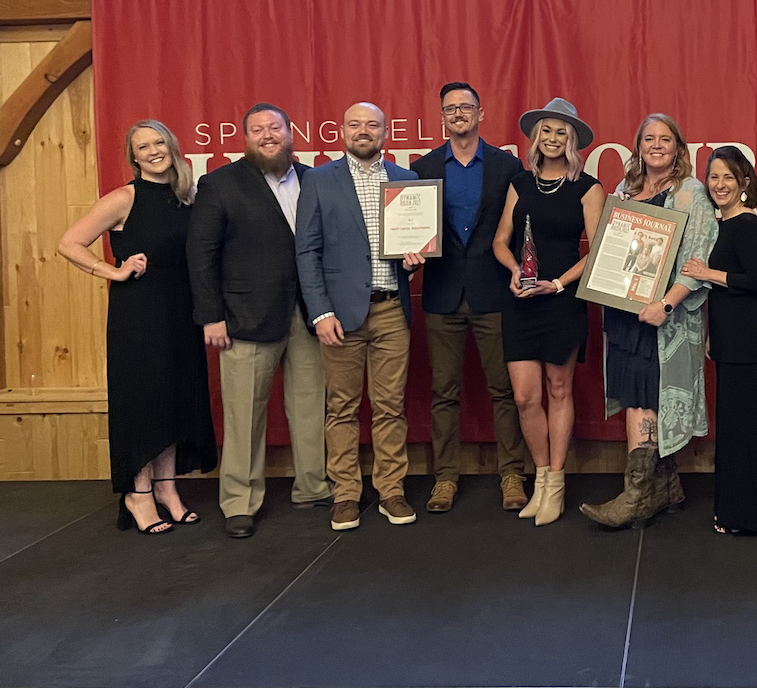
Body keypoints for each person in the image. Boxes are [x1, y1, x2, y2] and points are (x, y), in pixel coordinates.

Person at [58, 119, 216, 534]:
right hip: (139, 313)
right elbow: (69, 243)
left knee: (173, 399)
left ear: (172, 146)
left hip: (181, 309)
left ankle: (166, 488)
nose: (153, 151)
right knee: (144, 400)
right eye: (143, 146)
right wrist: (112, 271)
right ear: (134, 157)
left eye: (159, 142)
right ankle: (138, 494)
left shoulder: (188, 196)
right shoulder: (124, 198)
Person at [187, 103, 329, 539]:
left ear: (290, 133)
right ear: (245, 138)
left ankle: (313, 487)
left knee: (311, 407)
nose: (268, 135)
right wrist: (211, 316)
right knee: (244, 414)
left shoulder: (314, 179)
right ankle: (239, 502)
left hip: (308, 314)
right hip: (244, 317)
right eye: (257, 129)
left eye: (275, 127)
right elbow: (201, 254)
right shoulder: (220, 184)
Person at [580, 113, 718, 530]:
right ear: (638, 147)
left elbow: (698, 258)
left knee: (647, 396)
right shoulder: (625, 192)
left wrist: (667, 305)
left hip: (662, 319)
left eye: (665, 139)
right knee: (635, 394)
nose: (656, 145)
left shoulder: (691, 193)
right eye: (649, 139)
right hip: (625, 315)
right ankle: (667, 487)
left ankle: (637, 495)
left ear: (678, 148)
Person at [295, 102, 419, 531]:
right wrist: (320, 312)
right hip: (339, 315)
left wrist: (413, 261)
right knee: (341, 408)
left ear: (386, 132)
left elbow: (414, 244)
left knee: (390, 407)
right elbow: (307, 251)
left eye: (372, 124)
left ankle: (391, 490)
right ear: (342, 131)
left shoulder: (406, 180)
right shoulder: (318, 180)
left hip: (391, 310)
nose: (363, 130)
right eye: (354, 124)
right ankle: (346, 493)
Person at [406, 82, 528, 513]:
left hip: (494, 291)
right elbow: (410, 230)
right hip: (441, 293)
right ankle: (445, 478)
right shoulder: (420, 169)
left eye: (466, 107)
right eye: (450, 108)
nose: (458, 113)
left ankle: (512, 475)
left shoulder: (507, 166)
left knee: (505, 391)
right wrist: (407, 255)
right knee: (444, 393)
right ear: (441, 117)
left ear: (481, 113)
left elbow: (520, 231)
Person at [491, 98, 605, 526]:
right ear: (536, 138)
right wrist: (513, 270)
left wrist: (557, 284)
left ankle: (556, 483)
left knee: (559, 389)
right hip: (521, 299)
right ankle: (539, 477)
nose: (553, 139)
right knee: (525, 397)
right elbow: (500, 239)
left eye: (561, 132)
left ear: (571, 141)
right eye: (546, 131)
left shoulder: (588, 188)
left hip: (562, 299)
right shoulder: (520, 183)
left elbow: (598, 250)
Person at [681, 146, 757, 535]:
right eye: (714, 177)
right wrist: (712, 334)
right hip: (729, 338)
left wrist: (707, 272)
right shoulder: (723, 224)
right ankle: (731, 512)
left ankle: (745, 518)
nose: (719, 185)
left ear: (744, 183)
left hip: (749, 340)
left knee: (744, 431)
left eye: (728, 178)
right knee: (733, 429)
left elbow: (754, 281)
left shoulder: (749, 224)